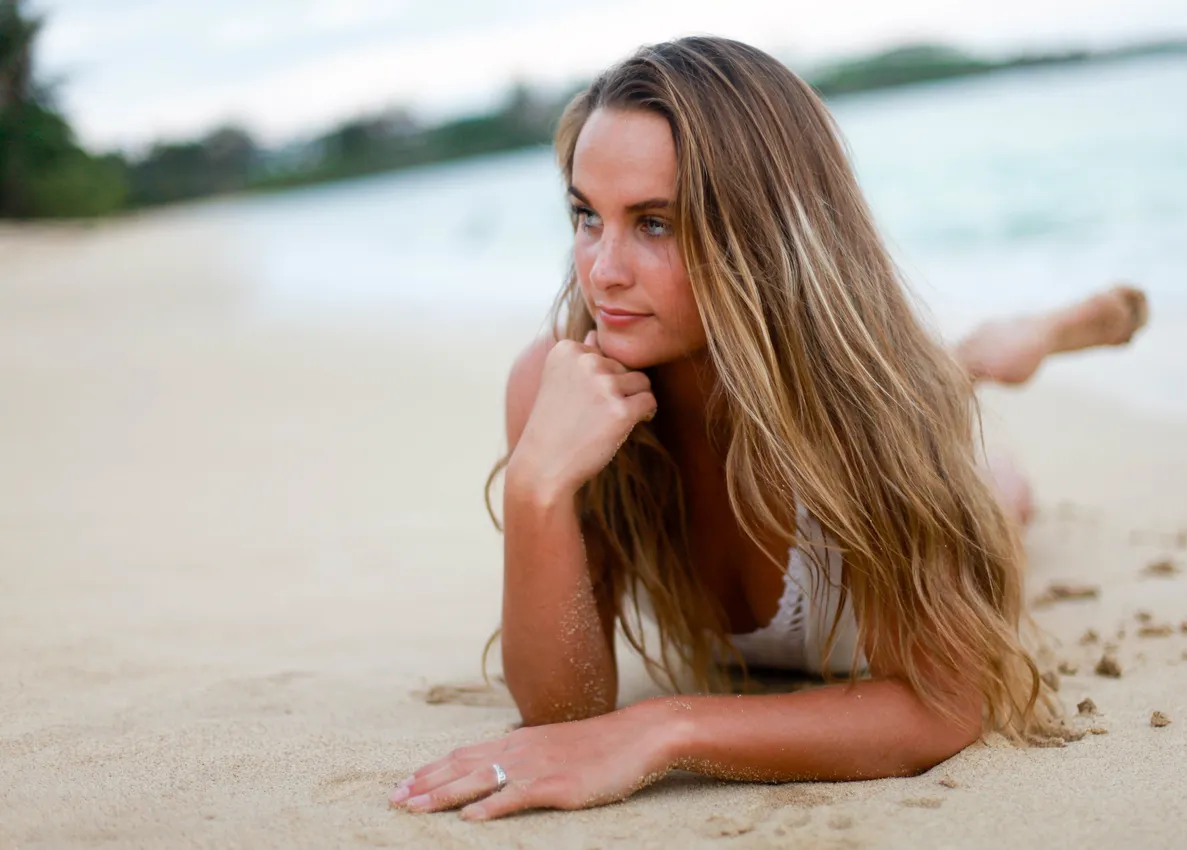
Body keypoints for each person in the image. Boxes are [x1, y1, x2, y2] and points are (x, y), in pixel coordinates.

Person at [389, 36, 1148, 820]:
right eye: (587, 215)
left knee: (998, 483)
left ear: (762, 230)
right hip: (847, 394)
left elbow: (943, 706)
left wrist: (664, 727)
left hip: (876, 411)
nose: (602, 270)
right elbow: (563, 716)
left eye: (655, 223)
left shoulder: (867, 408)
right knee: (939, 389)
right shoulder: (558, 385)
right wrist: (536, 490)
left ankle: (1029, 337)